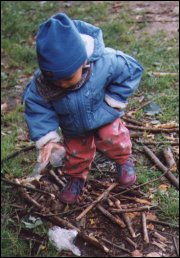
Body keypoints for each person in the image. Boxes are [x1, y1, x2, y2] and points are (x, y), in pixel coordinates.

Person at [22, 13, 144, 204]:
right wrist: (47, 137)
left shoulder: (105, 62)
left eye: (68, 78)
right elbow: (37, 107)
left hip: (103, 114)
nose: (62, 84)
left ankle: (123, 160)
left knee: (114, 138)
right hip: (73, 125)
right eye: (56, 80)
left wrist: (113, 101)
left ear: (83, 62)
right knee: (77, 152)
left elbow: (131, 70)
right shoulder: (42, 84)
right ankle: (76, 177)